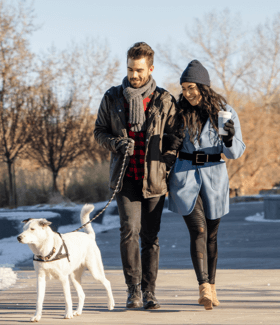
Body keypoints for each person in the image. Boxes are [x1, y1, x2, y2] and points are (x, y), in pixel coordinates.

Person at [94, 42, 178, 310]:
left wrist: (169, 159)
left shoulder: (164, 100)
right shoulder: (112, 97)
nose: (134, 75)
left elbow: (176, 137)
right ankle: (133, 291)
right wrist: (116, 143)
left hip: (154, 178)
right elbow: (99, 132)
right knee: (129, 231)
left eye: (139, 70)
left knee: (150, 237)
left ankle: (149, 291)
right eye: (130, 69)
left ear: (150, 69)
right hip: (125, 177)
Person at [166, 60, 245, 310]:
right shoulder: (177, 112)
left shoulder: (224, 111)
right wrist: (171, 143)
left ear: (203, 86)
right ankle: (203, 286)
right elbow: (167, 146)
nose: (187, 93)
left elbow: (234, 154)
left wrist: (229, 138)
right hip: (185, 177)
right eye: (184, 88)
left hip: (214, 178)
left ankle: (212, 287)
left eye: (192, 87)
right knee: (198, 230)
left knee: (212, 235)